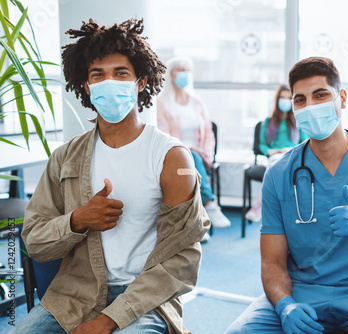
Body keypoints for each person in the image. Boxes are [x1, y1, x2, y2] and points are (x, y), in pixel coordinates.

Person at [14, 19, 209, 334]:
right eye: (98, 75)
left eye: (121, 73)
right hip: (74, 295)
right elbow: (34, 242)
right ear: (87, 87)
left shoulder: (172, 158)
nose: (109, 82)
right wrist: (78, 219)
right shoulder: (65, 158)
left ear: (141, 82)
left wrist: (107, 321)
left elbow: (182, 260)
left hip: (146, 299)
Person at [225, 57, 348, 334]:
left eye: (321, 95)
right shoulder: (279, 173)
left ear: (342, 99)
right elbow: (272, 262)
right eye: (300, 100)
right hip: (302, 294)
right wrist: (284, 305)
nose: (310, 106)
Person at [157, 56, 231, 233]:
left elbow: (208, 133)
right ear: (171, 75)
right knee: (189, 159)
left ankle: (194, 224)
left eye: (187, 71)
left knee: (193, 161)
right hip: (174, 155)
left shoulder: (197, 102)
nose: (186, 74)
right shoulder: (162, 103)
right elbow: (163, 134)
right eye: (181, 70)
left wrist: (207, 154)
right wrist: (185, 150)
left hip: (199, 156)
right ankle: (209, 205)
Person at [245, 84, 308, 222]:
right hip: (274, 157)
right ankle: (281, 208)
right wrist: (270, 151)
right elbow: (261, 143)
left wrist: (290, 150)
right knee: (276, 163)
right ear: (277, 100)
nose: (285, 101)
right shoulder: (268, 122)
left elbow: (305, 143)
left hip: (292, 157)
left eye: (288, 98)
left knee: (281, 165)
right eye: (282, 98)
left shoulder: (298, 122)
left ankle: (261, 204)